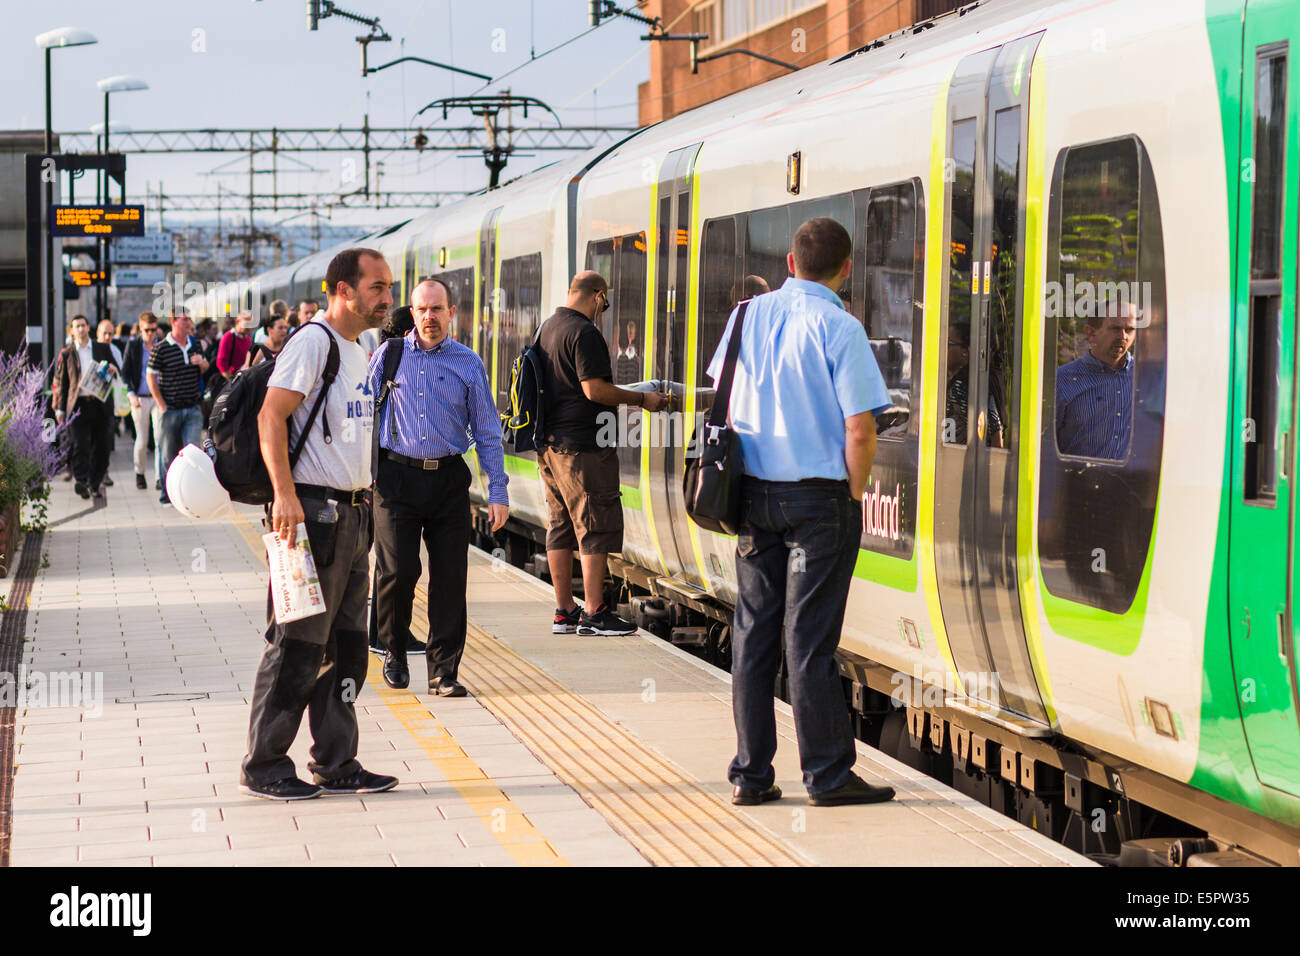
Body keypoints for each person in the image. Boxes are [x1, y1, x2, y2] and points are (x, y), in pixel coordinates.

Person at [707, 217, 896, 808]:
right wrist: (855, 494)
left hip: (753, 497)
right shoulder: (841, 327)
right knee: (808, 641)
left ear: (790, 264)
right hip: (818, 501)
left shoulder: (745, 316)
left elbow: (724, 395)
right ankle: (828, 775)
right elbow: (860, 430)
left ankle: (751, 775)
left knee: (754, 634)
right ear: (847, 269)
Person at [240, 247, 398, 800]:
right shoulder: (314, 342)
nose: (387, 297)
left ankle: (337, 761)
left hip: (355, 516)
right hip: (311, 515)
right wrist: (284, 494)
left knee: (347, 649)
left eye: (389, 286)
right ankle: (264, 765)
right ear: (343, 291)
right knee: (298, 645)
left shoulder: (363, 347)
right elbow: (270, 416)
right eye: (377, 287)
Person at [370, 279, 510, 695]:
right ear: (411, 314)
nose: (429, 317)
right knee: (399, 571)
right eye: (421, 310)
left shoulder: (468, 363)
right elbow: (362, 417)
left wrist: (497, 492)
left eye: (437, 309)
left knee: (450, 578)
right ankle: (394, 651)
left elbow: (486, 430)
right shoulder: (389, 356)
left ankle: (443, 672)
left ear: (452, 313)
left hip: (449, 479)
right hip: (395, 478)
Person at [536, 271, 670, 636]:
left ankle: (564, 610)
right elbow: (595, 389)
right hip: (583, 449)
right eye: (605, 303)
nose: (603, 310)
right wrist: (642, 399)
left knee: (561, 526)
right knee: (594, 525)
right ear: (598, 296)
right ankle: (595, 612)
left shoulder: (548, 328)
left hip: (550, 446)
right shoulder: (585, 333)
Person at [1055, 303, 1138, 459]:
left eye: (1130, 329)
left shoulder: (1145, 377)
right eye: (1115, 329)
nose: (1123, 336)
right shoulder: (1063, 380)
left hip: (1132, 482)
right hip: (1076, 480)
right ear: (1091, 333)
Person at [52, 315, 120, 500]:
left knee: (102, 448)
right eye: (76, 326)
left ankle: (94, 483)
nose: (80, 329)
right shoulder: (67, 353)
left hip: (100, 404)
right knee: (80, 445)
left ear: (88, 327)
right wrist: (59, 409)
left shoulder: (102, 348)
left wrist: (113, 369)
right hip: (78, 406)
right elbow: (62, 383)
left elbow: (117, 371)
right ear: (72, 330)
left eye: (83, 325)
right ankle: (81, 481)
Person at [147, 310, 210, 506]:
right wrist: (161, 404)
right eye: (185, 319)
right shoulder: (162, 348)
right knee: (168, 453)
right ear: (173, 321)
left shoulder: (195, 344)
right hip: (170, 409)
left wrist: (202, 363)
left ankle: (189, 494)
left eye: (189, 319)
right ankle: (168, 495)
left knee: (192, 452)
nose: (189, 322)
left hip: (192, 408)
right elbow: (151, 376)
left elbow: (205, 367)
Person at [945, 323, 1003, 447]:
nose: (943, 347)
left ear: (965, 352)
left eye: (949, 343)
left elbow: (995, 432)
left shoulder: (962, 386)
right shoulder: (962, 383)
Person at [122, 312, 162, 491]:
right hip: (140, 397)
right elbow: (126, 372)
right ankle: (140, 473)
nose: (151, 333)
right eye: (147, 330)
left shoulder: (161, 345)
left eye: (154, 330)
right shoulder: (133, 345)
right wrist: (131, 394)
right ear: (140, 328)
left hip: (158, 397)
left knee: (160, 438)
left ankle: (159, 477)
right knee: (142, 439)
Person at [217, 312, 256, 383]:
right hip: (232, 382)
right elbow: (221, 362)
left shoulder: (248, 340)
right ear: (237, 322)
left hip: (243, 380)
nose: (249, 327)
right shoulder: (228, 337)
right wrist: (231, 380)